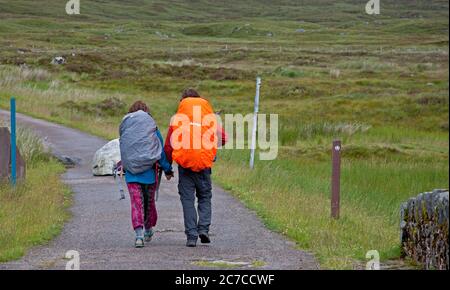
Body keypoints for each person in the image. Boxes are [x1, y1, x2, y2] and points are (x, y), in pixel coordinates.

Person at [164, 89, 228, 247]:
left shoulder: (178, 119)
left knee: (187, 200)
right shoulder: (209, 117)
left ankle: (191, 236)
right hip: (204, 166)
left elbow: (168, 146)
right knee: (205, 197)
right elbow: (224, 138)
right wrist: (210, 147)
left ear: (183, 102)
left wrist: (167, 168)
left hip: (185, 167)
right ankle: (204, 229)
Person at [121, 101, 174, 248]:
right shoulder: (152, 129)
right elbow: (160, 152)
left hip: (131, 174)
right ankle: (148, 229)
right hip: (149, 175)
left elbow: (124, 149)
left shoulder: (127, 128)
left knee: (136, 204)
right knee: (148, 203)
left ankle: (139, 235)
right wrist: (168, 169)